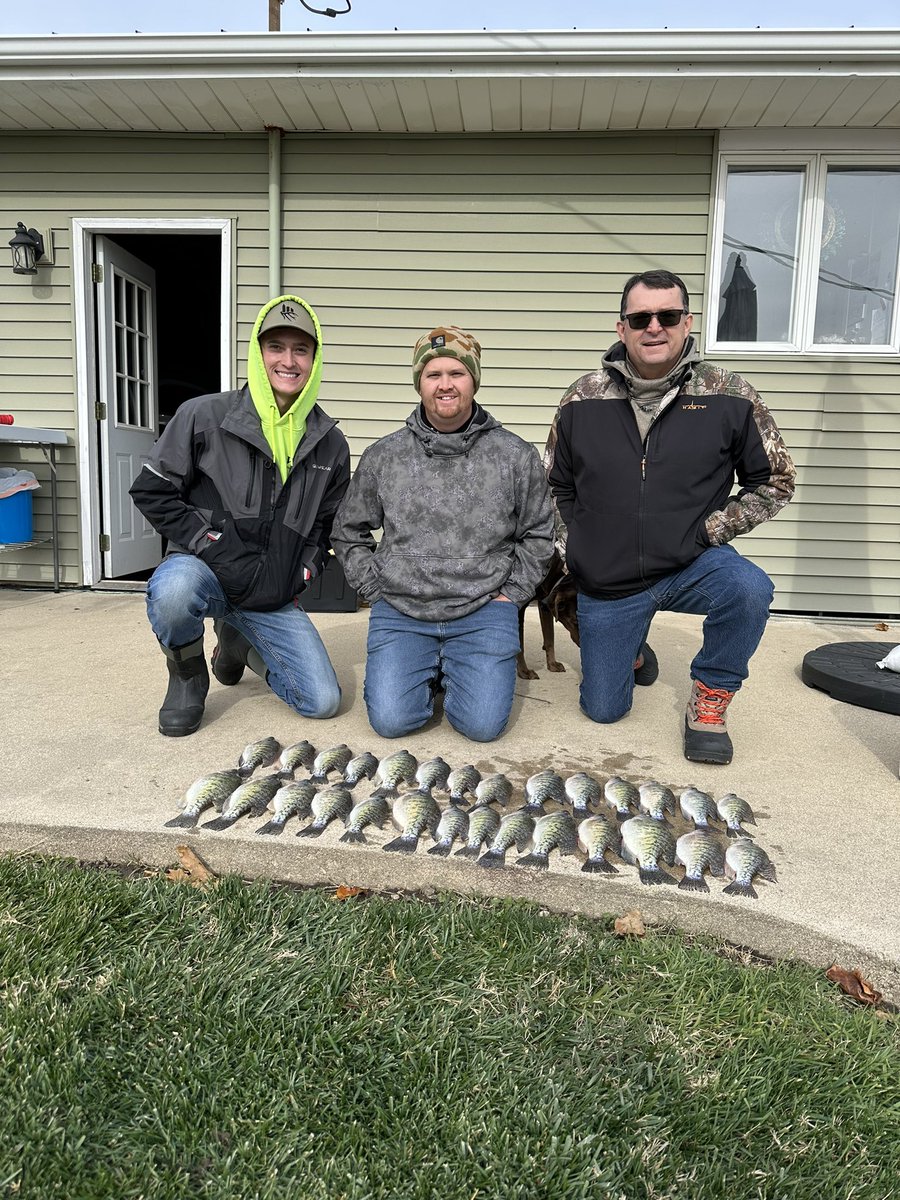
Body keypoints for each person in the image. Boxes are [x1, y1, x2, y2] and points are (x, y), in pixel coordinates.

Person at [546, 269, 796, 764]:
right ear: (622, 328)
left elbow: (776, 481)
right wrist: (575, 544)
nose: (653, 327)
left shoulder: (730, 394)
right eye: (640, 317)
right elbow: (554, 484)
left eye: (667, 316)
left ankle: (710, 700)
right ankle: (632, 649)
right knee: (602, 710)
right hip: (610, 577)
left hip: (690, 562)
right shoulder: (582, 398)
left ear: (687, 323)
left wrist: (711, 529)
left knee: (749, 589)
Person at [130, 294, 349, 737]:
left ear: (315, 359)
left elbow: (328, 525)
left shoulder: (331, 444)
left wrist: (307, 569)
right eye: (276, 347)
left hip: (269, 594)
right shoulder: (203, 415)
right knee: (174, 593)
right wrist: (206, 541)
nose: (288, 360)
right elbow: (152, 490)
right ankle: (188, 676)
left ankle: (235, 645)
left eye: (301, 349)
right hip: (206, 572)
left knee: (322, 702)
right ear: (257, 352)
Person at [330, 326, 554, 742]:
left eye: (457, 373)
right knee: (392, 723)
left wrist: (511, 597)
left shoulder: (514, 455)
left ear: (474, 380)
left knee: (483, 727)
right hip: (402, 610)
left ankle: (454, 669)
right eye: (433, 375)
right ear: (420, 382)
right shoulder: (385, 455)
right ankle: (430, 669)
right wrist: (374, 588)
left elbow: (540, 534)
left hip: (483, 609)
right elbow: (348, 530)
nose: (445, 385)